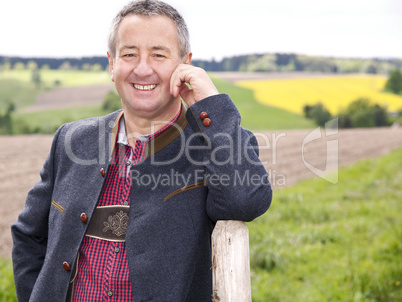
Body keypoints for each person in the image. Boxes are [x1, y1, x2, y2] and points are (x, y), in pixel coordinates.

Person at [11, 0, 272, 301]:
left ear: (185, 63)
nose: (143, 68)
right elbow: (29, 235)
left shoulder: (212, 144)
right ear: (112, 64)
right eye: (129, 54)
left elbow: (246, 201)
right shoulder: (72, 140)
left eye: (158, 55)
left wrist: (211, 104)